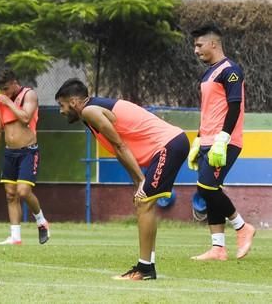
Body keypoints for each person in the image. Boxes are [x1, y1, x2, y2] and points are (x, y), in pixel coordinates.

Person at [55, 78, 189, 281]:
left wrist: (141, 181)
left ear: (74, 102)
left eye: (61, 105)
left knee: (144, 202)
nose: (61, 111)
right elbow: (120, 149)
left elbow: (120, 146)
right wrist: (139, 182)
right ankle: (148, 266)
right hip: (170, 145)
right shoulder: (91, 112)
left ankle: (144, 270)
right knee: (145, 203)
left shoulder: (90, 111)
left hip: (168, 145)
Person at [187, 24, 255, 261]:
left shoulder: (231, 70)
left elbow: (234, 106)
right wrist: (198, 140)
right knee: (209, 190)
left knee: (206, 188)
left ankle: (242, 227)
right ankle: (218, 248)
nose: (196, 51)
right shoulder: (208, 73)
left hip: (224, 141)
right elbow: (209, 111)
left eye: (199, 45)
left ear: (213, 43)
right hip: (207, 140)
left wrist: (223, 138)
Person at [0, 69, 50, 245]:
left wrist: (7, 102)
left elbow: (25, 117)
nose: (4, 93)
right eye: (1, 90)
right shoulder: (0, 100)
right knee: (10, 194)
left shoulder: (29, 95)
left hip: (28, 151)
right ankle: (15, 236)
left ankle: (41, 221)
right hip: (9, 152)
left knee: (23, 191)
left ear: (15, 82)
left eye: (6, 88)